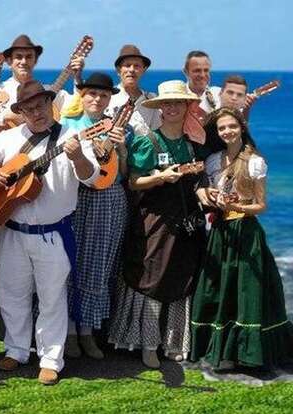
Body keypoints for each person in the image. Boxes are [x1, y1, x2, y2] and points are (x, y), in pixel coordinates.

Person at [0, 80, 99, 385]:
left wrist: (77, 157)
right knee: (11, 293)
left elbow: (91, 179)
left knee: (52, 298)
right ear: (20, 112)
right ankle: (17, 349)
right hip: (12, 230)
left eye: (40, 105)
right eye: (29, 108)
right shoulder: (8, 139)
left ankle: (51, 359)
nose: (36, 112)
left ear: (51, 104)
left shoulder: (74, 137)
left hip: (53, 233)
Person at [0, 34, 85, 305]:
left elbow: (74, 110)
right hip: (7, 164)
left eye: (29, 56)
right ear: (10, 61)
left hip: (43, 168)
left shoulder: (51, 92)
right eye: (18, 57)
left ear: (35, 60)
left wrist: (78, 77)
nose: (24, 61)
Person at [109, 80, 207, 368]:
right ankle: (147, 343)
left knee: (181, 274)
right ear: (160, 108)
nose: (172, 107)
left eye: (178, 102)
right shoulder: (147, 140)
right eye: (167, 103)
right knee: (151, 273)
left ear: (187, 106)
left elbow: (197, 181)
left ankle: (175, 340)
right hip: (154, 219)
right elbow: (134, 181)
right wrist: (162, 177)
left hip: (185, 221)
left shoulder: (191, 144)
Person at [190, 107, 293, 370]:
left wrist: (237, 207)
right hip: (221, 232)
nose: (227, 131)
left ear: (242, 128)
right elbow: (206, 191)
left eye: (231, 126)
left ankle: (249, 354)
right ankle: (224, 352)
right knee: (222, 288)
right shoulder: (213, 160)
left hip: (246, 231)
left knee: (248, 291)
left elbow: (261, 205)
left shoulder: (255, 162)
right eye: (222, 128)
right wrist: (212, 197)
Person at [60, 73, 127, 360]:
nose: (97, 99)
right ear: (82, 95)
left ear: (110, 98)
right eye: (91, 94)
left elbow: (123, 173)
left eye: (103, 95)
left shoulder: (118, 127)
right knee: (71, 264)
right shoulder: (68, 127)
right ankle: (70, 331)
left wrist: (122, 146)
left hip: (110, 200)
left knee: (99, 265)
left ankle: (88, 332)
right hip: (77, 199)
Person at [104, 45, 161, 137]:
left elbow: (157, 133)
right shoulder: (107, 97)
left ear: (144, 70)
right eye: (127, 65)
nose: (131, 70)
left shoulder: (152, 100)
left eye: (137, 66)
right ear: (119, 70)